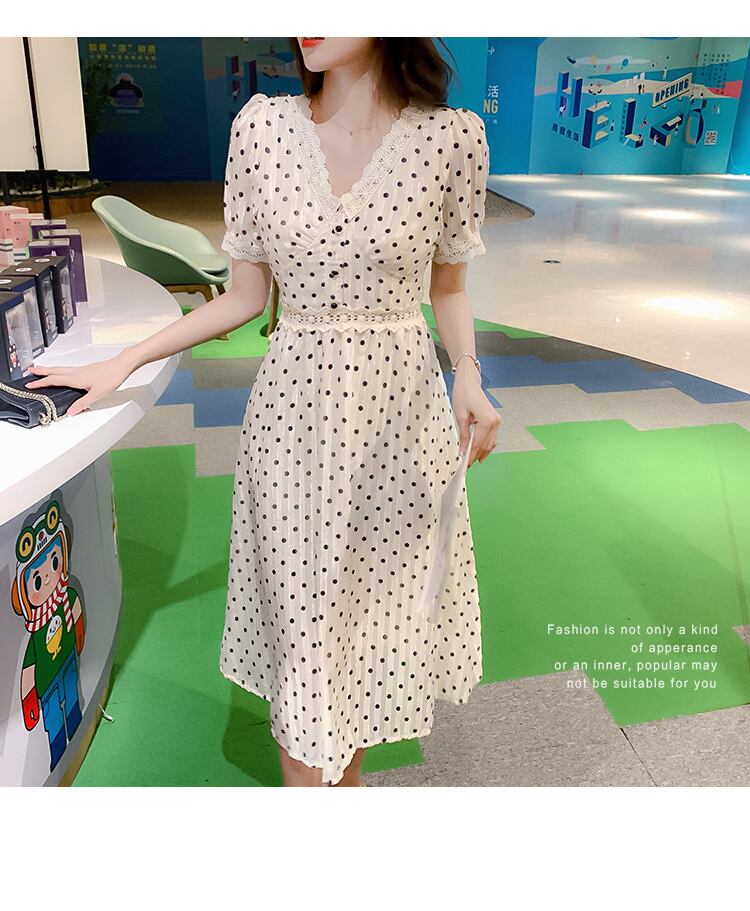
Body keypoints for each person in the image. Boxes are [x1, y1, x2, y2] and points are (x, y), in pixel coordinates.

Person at [26, 37, 501, 787]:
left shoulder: (452, 138)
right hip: (294, 424)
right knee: (303, 636)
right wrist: (125, 359)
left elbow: (448, 287)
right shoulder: (262, 129)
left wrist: (468, 374)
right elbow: (244, 297)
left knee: (365, 626)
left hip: (401, 422)